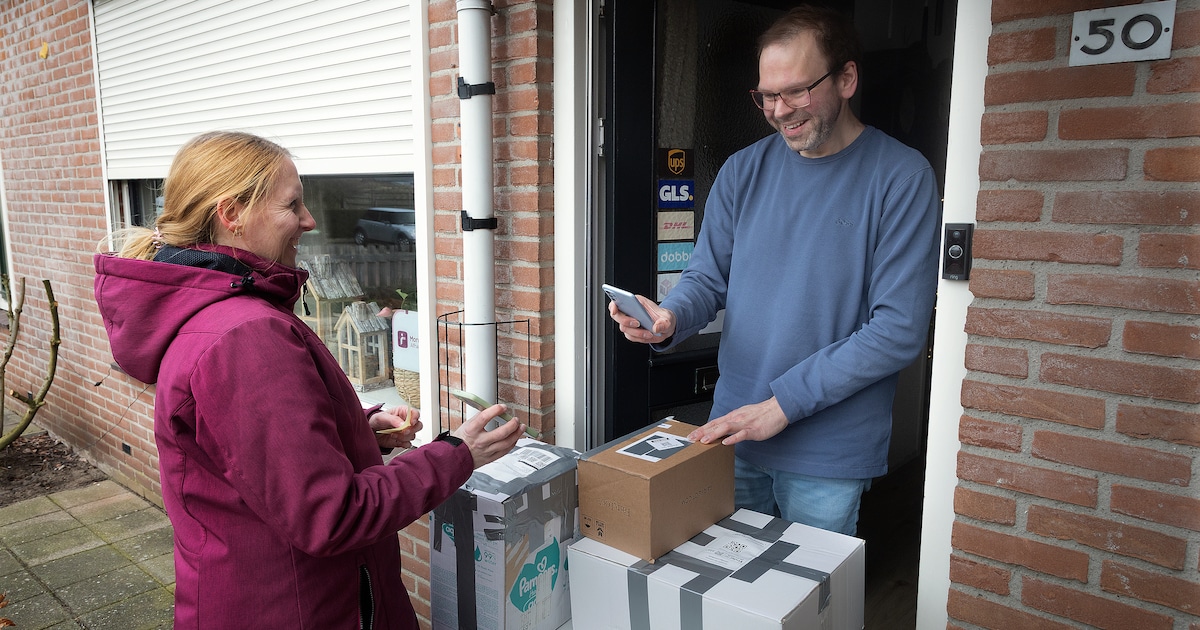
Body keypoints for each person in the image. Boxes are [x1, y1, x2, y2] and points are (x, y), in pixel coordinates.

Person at [93, 131, 525, 629]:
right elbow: (330, 514)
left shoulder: (217, 316)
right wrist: (458, 452)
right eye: (292, 204)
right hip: (303, 609)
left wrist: (360, 426)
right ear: (231, 213)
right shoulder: (245, 336)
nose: (309, 220)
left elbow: (251, 451)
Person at [609, 5, 940, 536]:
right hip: (734, 432)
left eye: (795, 91)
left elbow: (898, 331)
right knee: (732, 594)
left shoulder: (901, 178)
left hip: (830, 452)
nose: (779, 110)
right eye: (766, 95)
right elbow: (706, 279)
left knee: (811, 609)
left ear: (847, 78)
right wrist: (669, 319)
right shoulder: (742, 171)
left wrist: (783, 404)